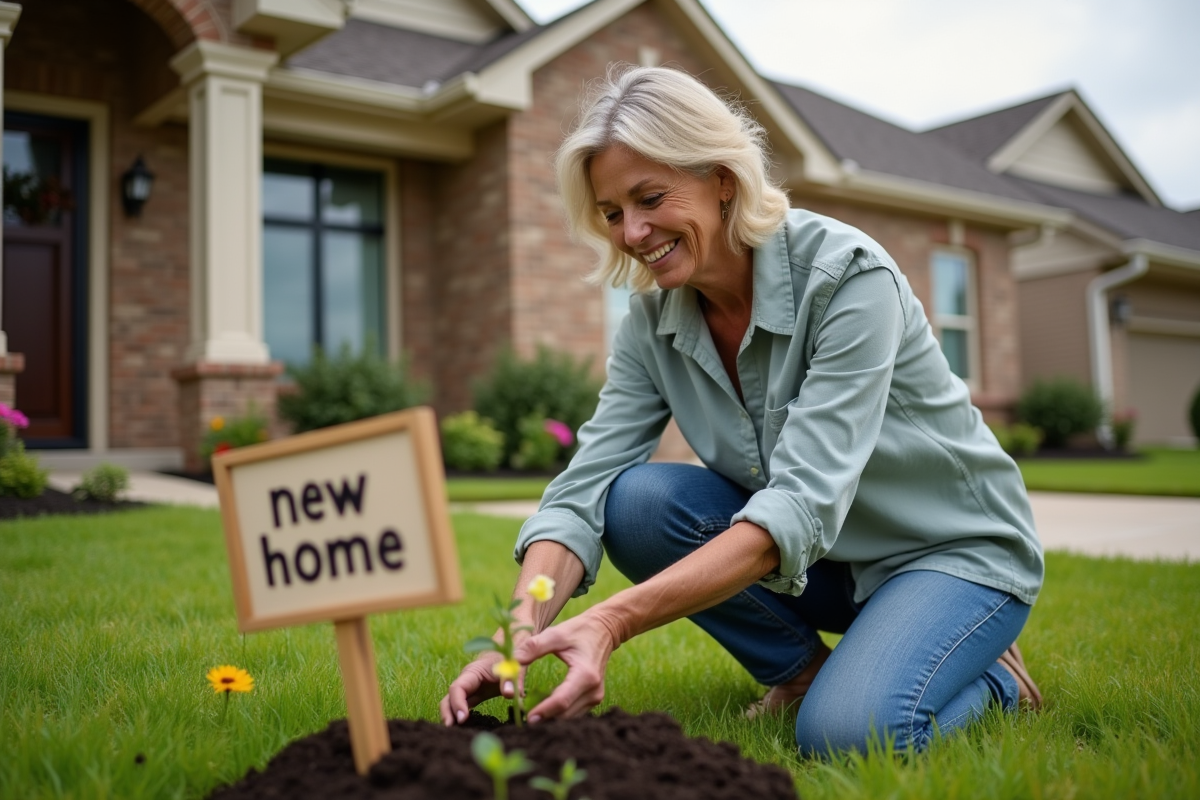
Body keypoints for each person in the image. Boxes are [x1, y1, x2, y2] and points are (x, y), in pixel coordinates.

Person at [439, 65, 1044, 756]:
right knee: (636, 501)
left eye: (651, 197)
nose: (632, 232)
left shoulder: (847, 277)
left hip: (948, 556)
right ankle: (802, 672)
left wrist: (609, 622)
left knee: (850, 738)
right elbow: (582, 492)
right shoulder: (651, 320)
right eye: (612, 213)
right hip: (826, 564)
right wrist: (518, 635)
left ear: (722, 178)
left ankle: (994, 677)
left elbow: (799, 505)